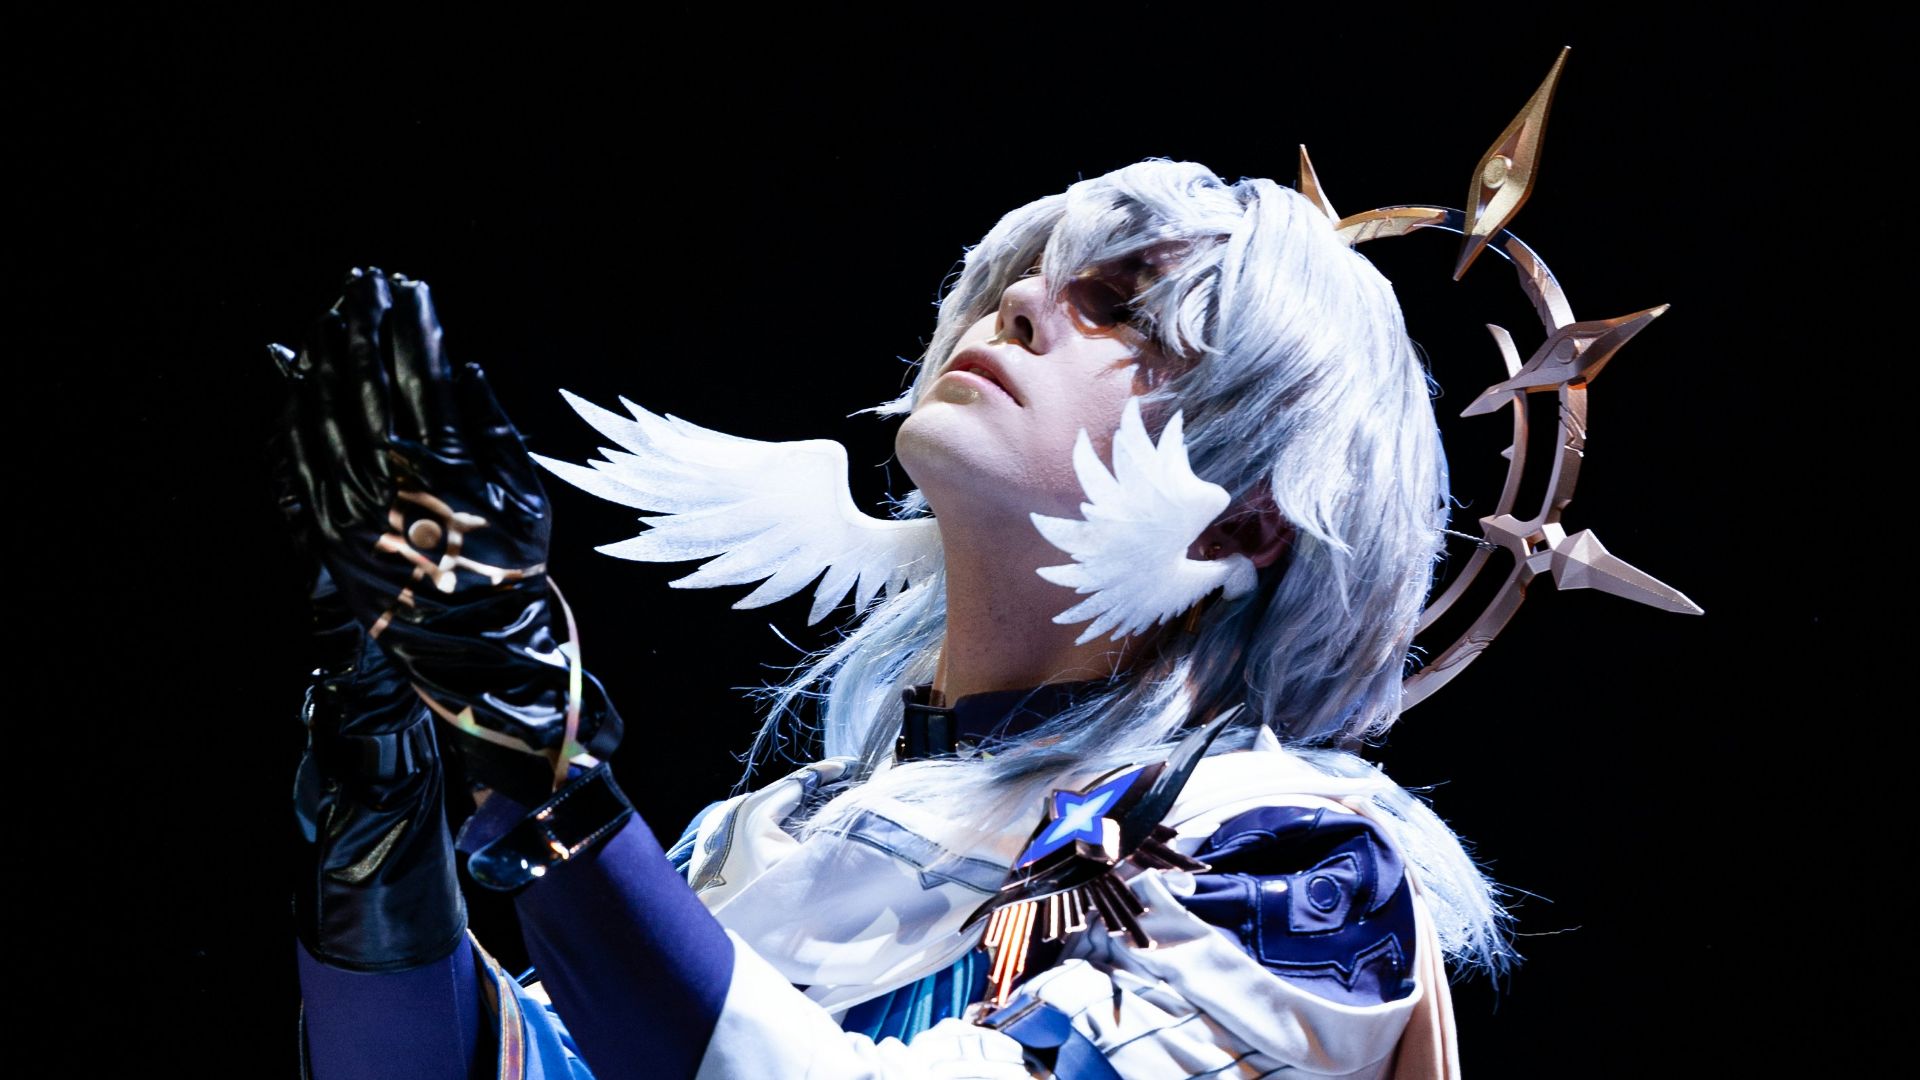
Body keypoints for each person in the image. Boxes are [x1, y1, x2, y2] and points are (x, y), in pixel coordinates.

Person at [276, 158, 1514, 1080]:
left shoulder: (1299, 871)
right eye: (1030, 275)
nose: (1022, 301)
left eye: (1128, 310)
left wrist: (543, 766)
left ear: (1247, 524)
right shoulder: (767, 835)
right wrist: (379, 797)